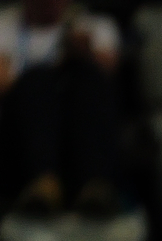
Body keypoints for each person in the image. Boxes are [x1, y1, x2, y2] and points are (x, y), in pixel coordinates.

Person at [0, 0, 121, 215]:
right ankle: (42, 183)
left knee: (87, 81)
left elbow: (106, 77)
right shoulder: (5, 25)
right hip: (22, 133)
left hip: (76, 128)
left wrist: (84, 54)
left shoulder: (93, 26)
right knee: (36, 83)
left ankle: (92, 185)